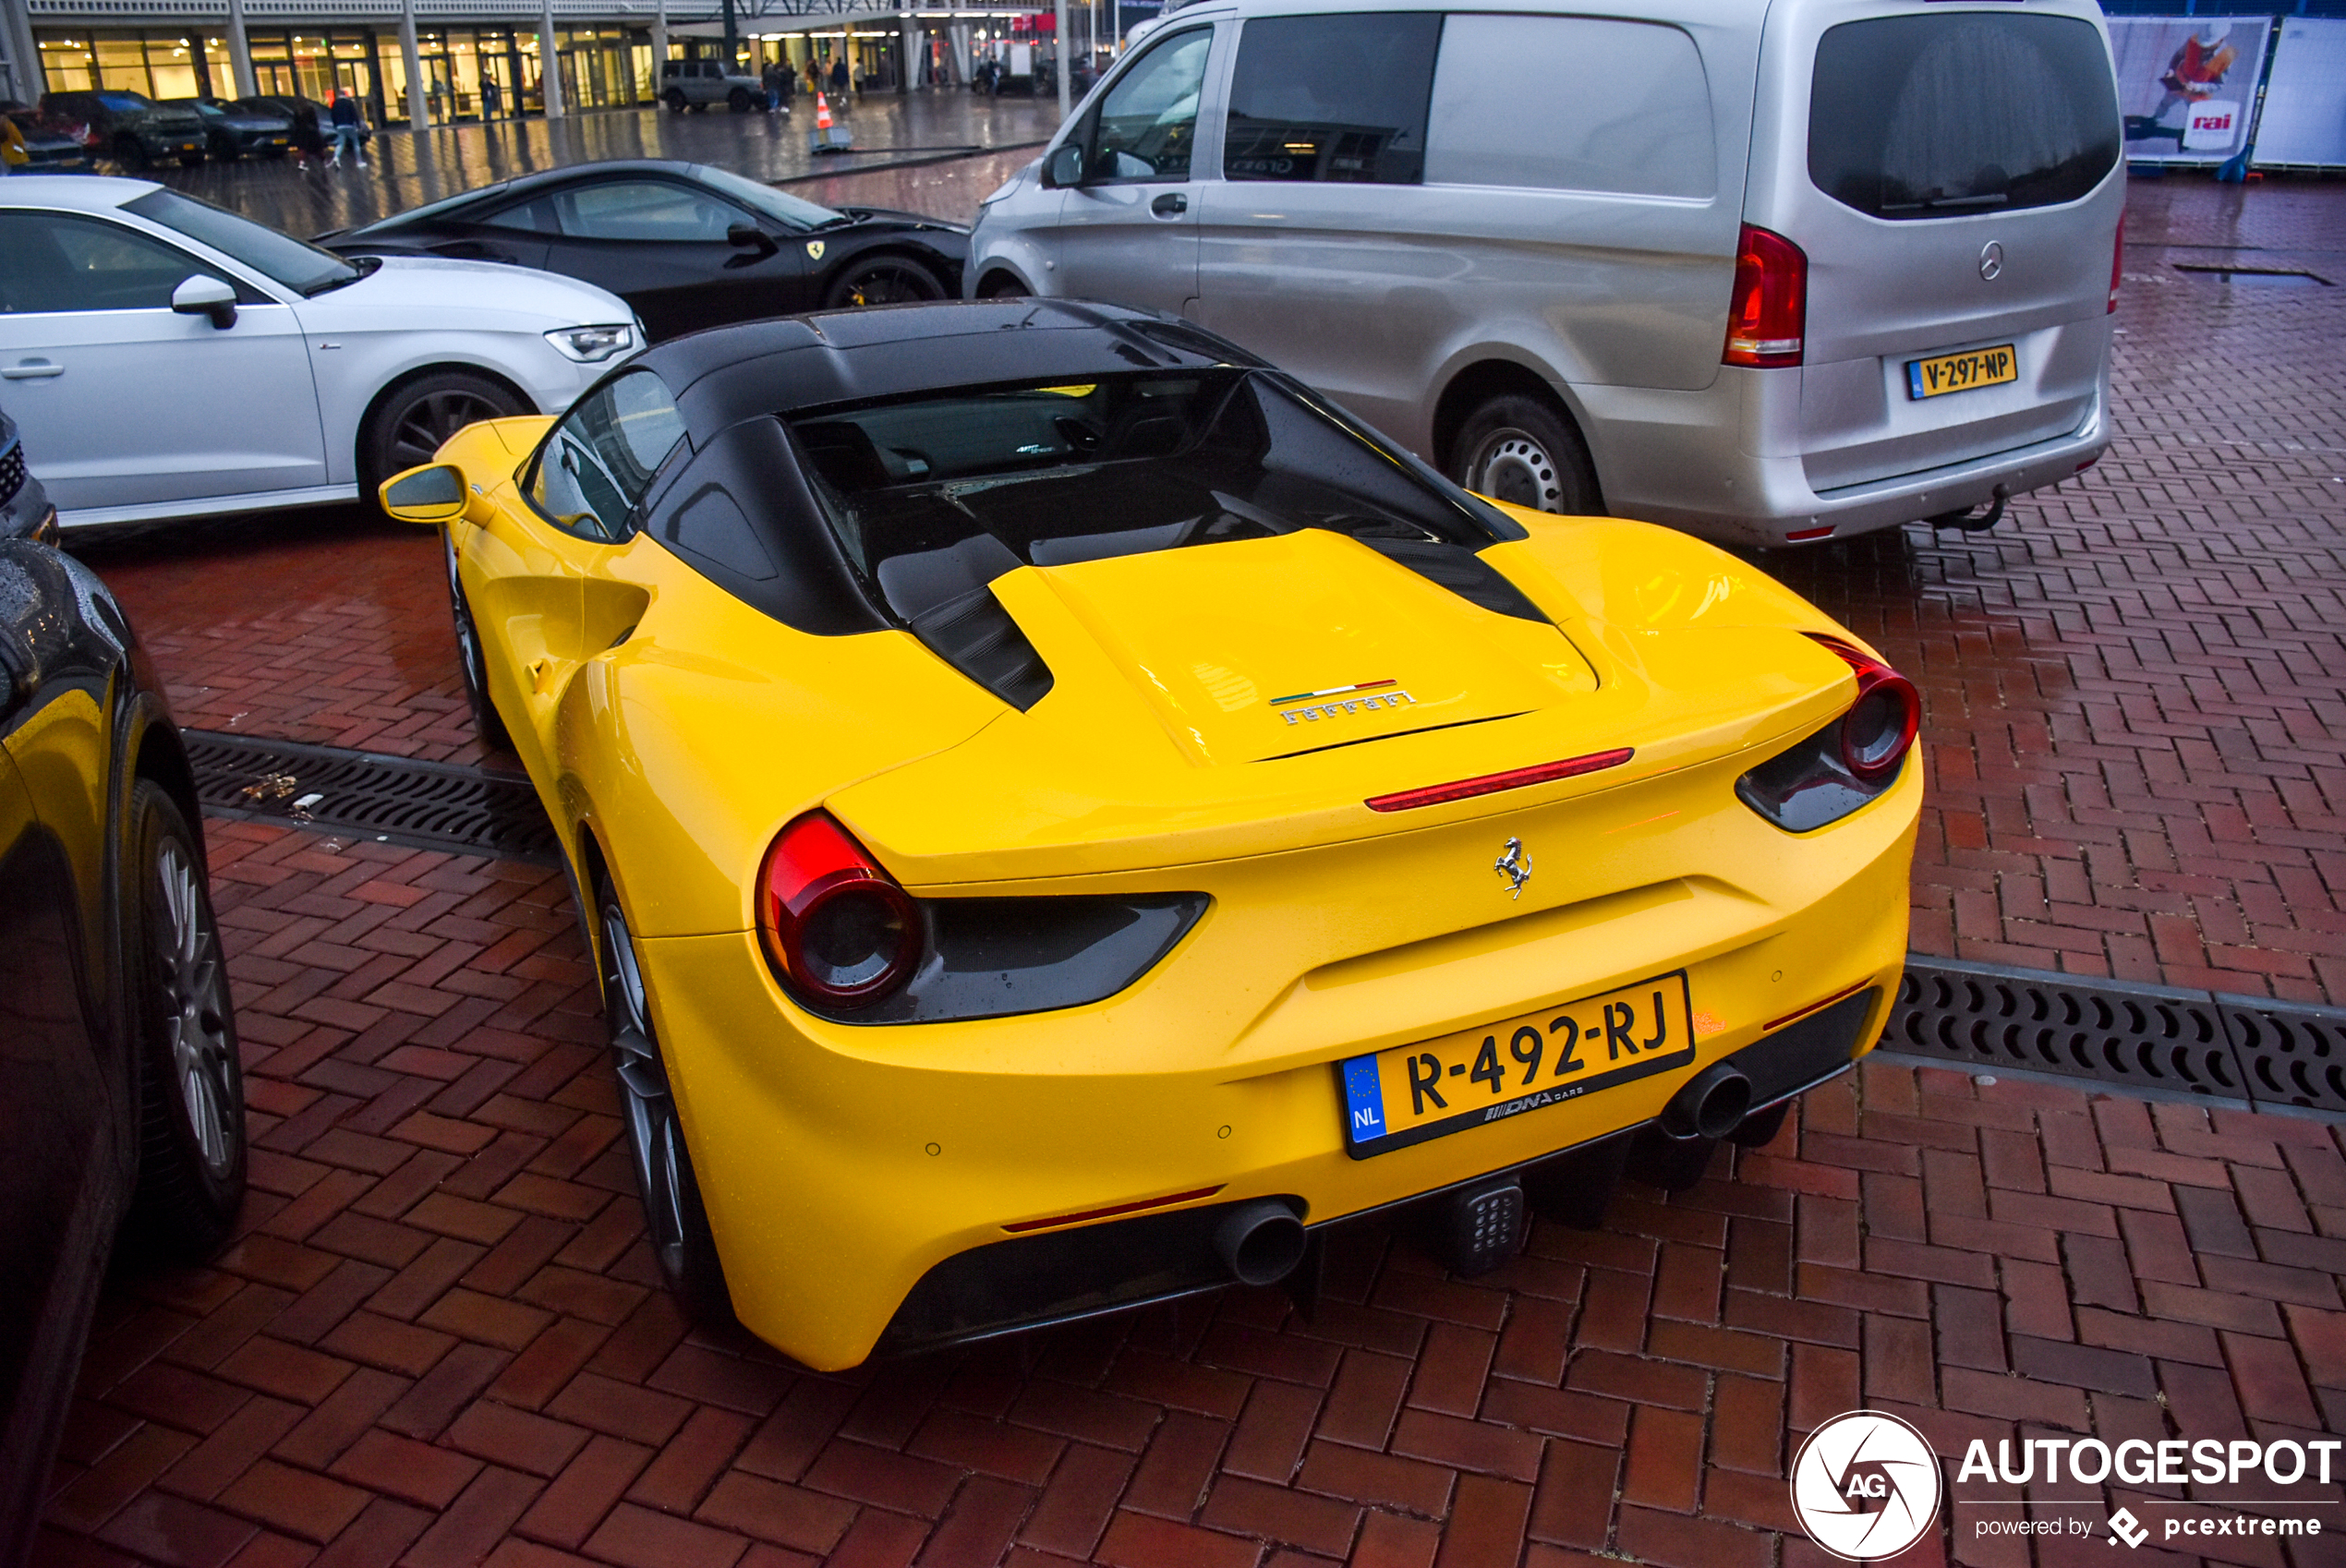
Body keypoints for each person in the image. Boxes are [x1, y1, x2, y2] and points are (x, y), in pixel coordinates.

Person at [328, 88, 365, 167]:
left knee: (340, 143)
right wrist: (358, 125)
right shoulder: (349, 103)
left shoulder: (335, 103)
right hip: (349, 125)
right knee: (355, 142)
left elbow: (333, 115)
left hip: (340, 126)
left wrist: (335, 125)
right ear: (345, 94)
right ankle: (359, 162)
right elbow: (354, 114)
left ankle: (336, 157)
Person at [289, 96, 327, 168]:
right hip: (312, 132)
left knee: (302, 149)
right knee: (318, 148)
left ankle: (302, 163)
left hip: (302, 133)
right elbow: (314, 121)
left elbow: (296, 122)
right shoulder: (310, 110)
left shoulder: (297, 111)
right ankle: (323, 161)